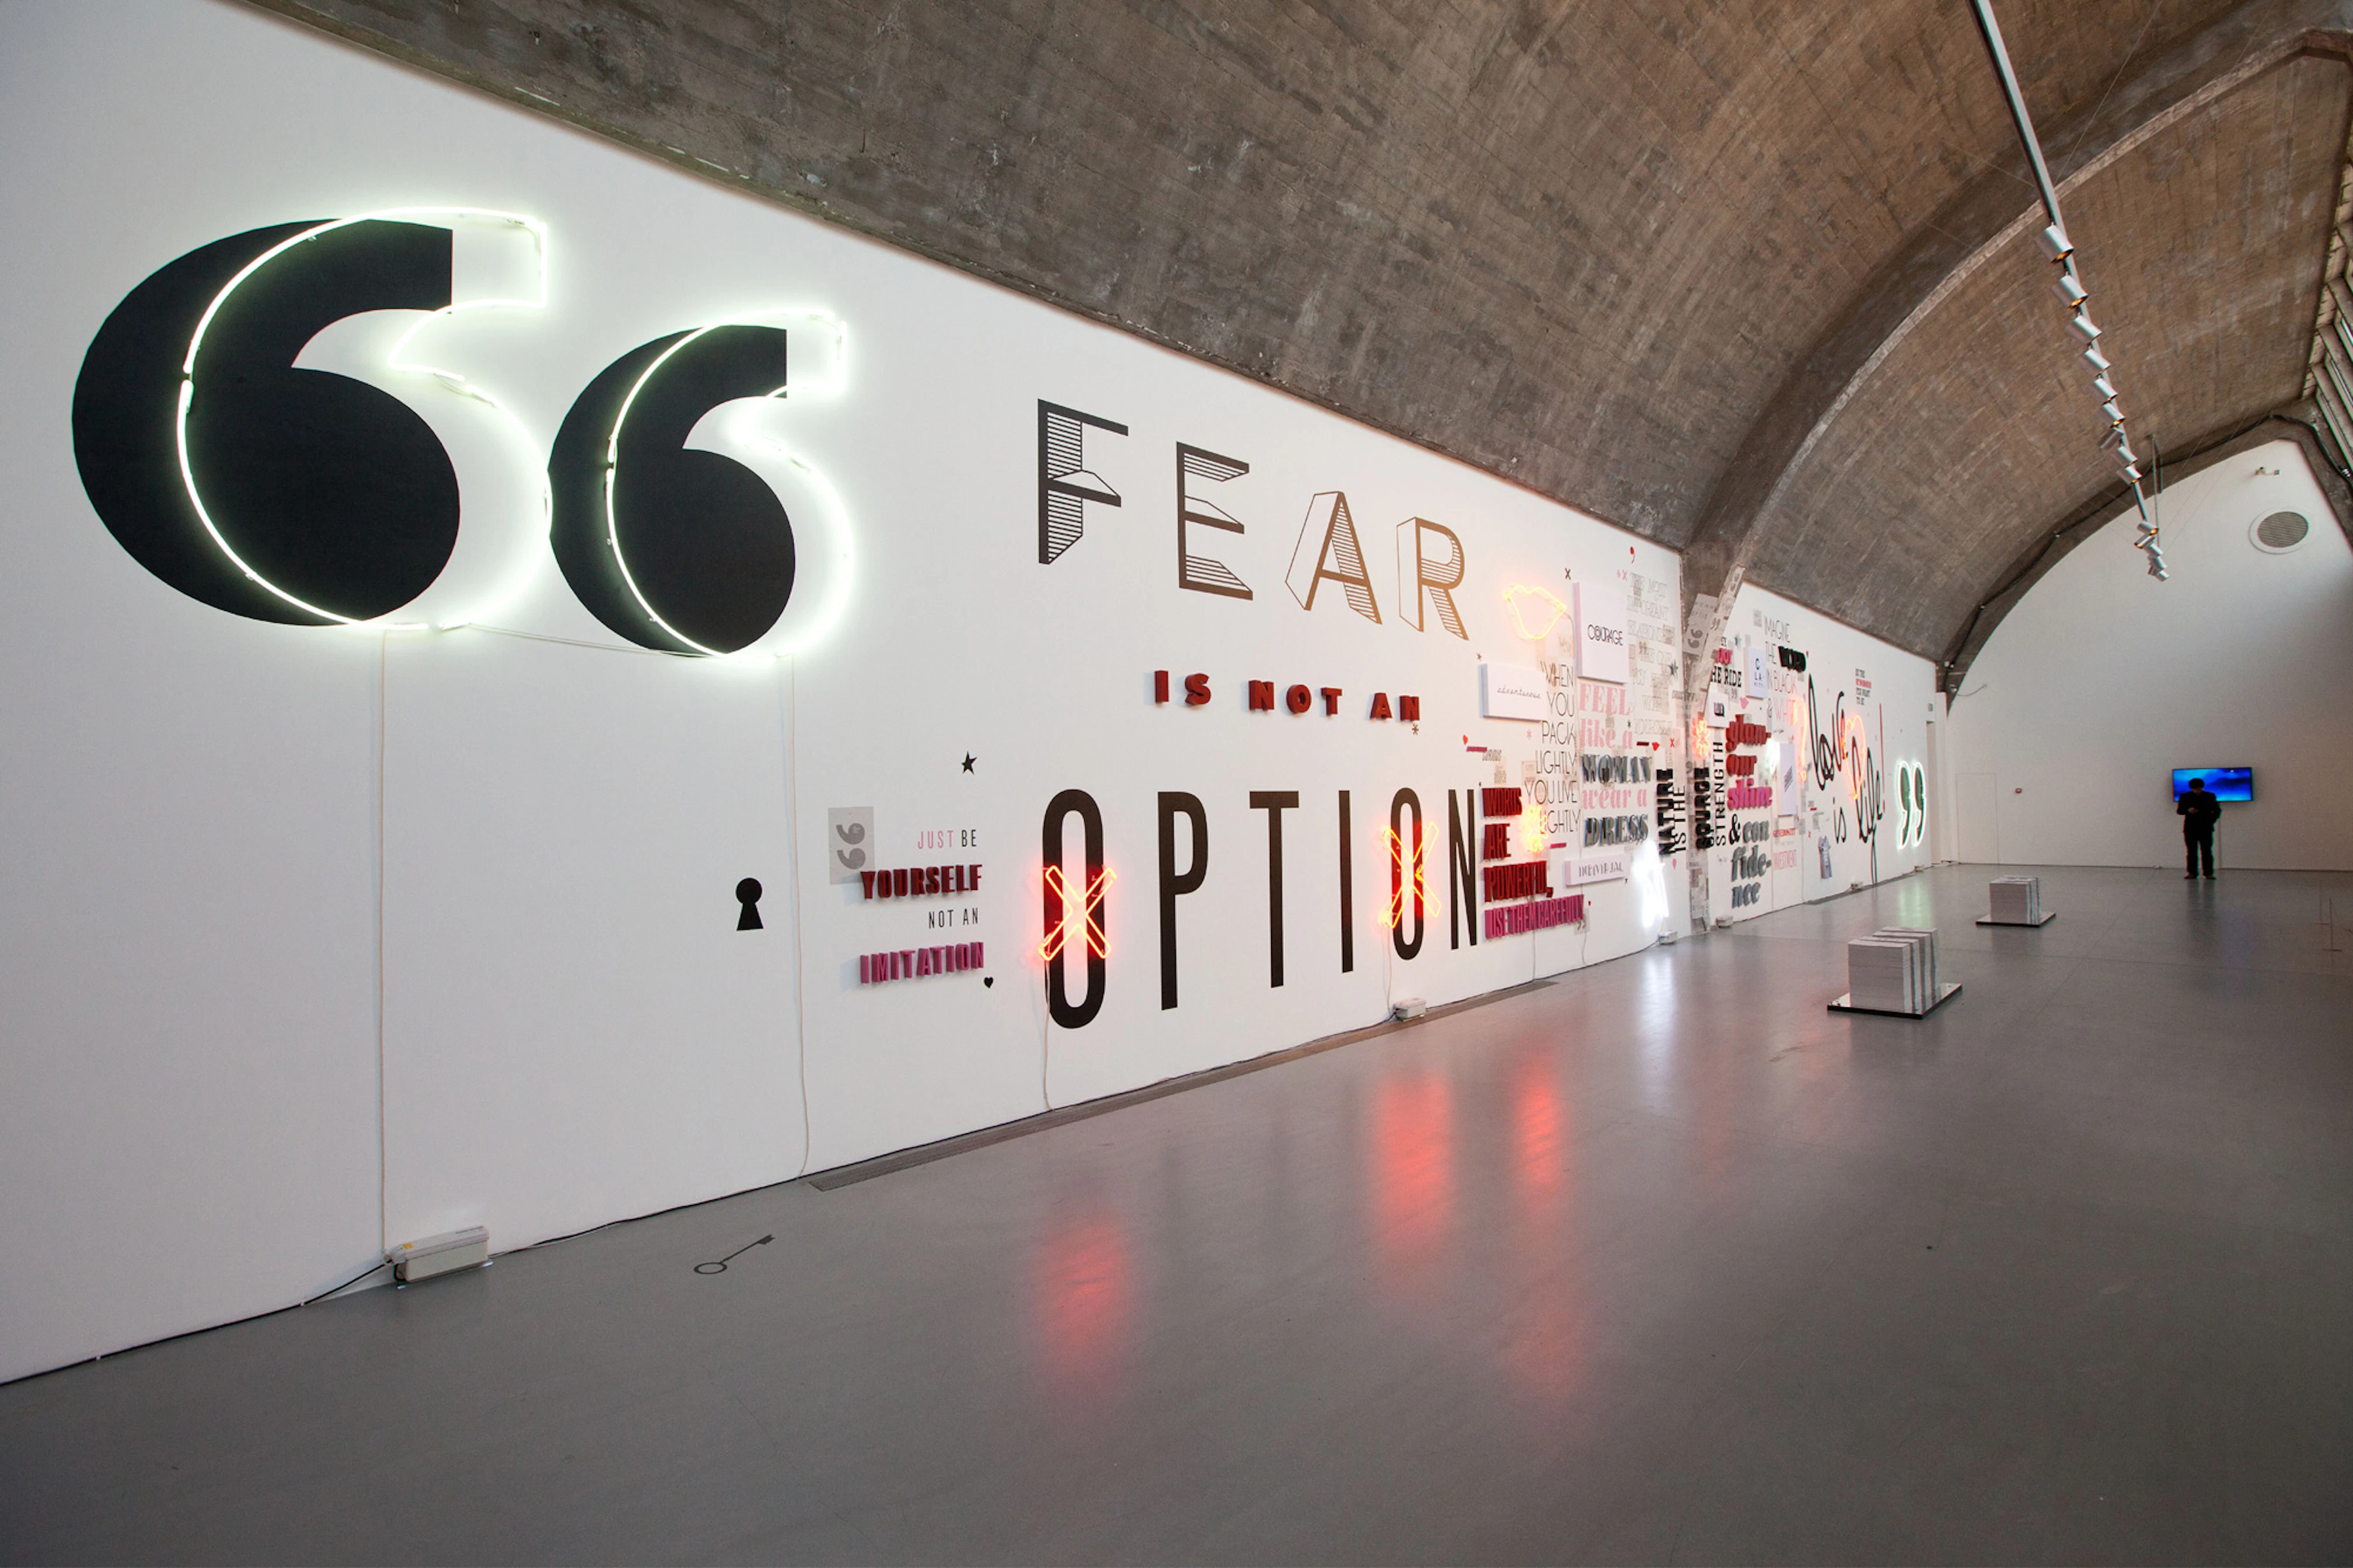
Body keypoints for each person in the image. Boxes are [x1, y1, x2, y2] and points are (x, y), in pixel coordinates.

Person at [2177, 777, 2220, 879]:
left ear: (2202, 787)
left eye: (2199, 789)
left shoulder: (2210, 796)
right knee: (2191, 851)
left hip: (2206, 827)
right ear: (2192, 788)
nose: (2198, 791)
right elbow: (2180, 811)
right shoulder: (2185, 797)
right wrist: (2189, 811)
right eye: (2196, 789)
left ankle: (2209, 873)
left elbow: (2217, 811)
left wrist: (2211, 821)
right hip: (2190, 828)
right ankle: (2192, 873)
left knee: (2207, 851)